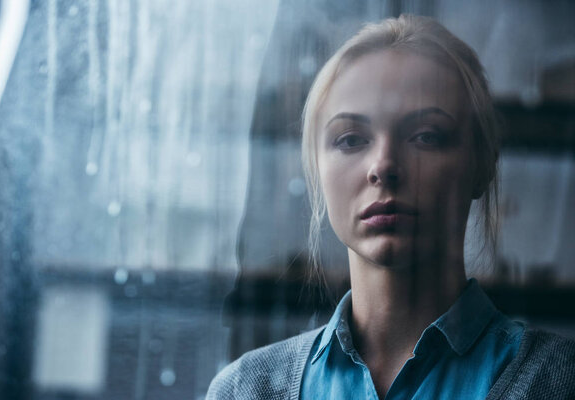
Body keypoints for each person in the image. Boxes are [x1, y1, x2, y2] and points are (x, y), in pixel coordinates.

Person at [207, 14, 575, 400]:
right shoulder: (245, 390)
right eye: (350, 139)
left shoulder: (560, 383)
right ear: (316, 170)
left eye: (426, 135)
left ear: (481, 164)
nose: (383, 166)